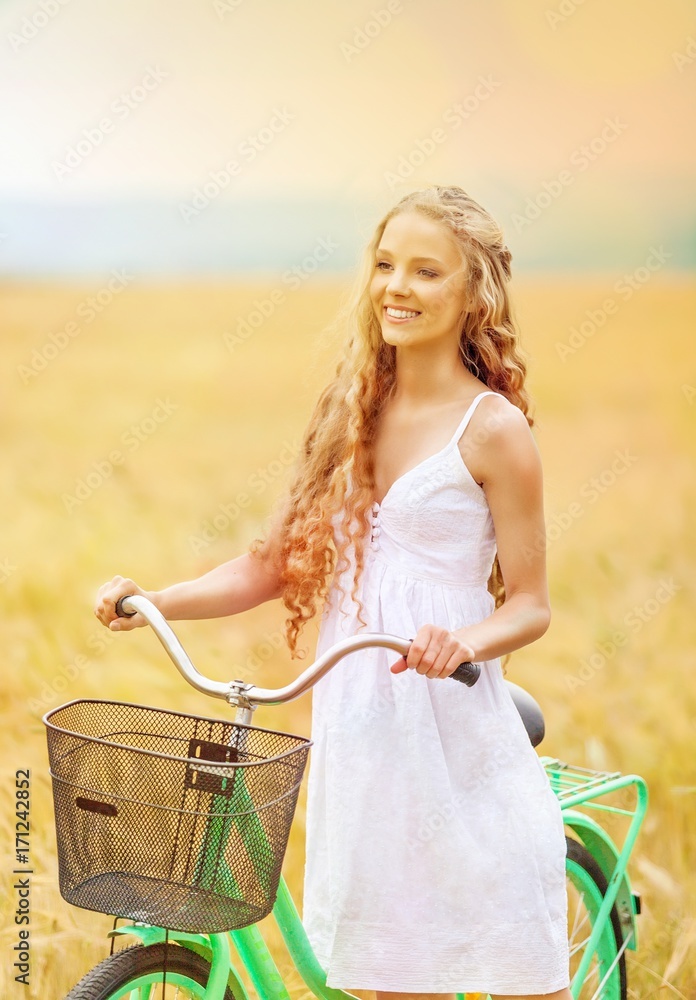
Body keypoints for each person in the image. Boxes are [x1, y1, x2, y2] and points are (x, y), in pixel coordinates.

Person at [95, 185, 572, 999]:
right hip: (362, 727)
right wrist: (155, 601)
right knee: (389, 974)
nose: (397, 286)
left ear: (472, 294)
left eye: (426, 271)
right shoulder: (349, 412)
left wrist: (464, 640)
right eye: (386, 265)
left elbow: (530, 603)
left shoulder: (494, 430)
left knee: (513, 961)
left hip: (450, 721)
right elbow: (267, 566)